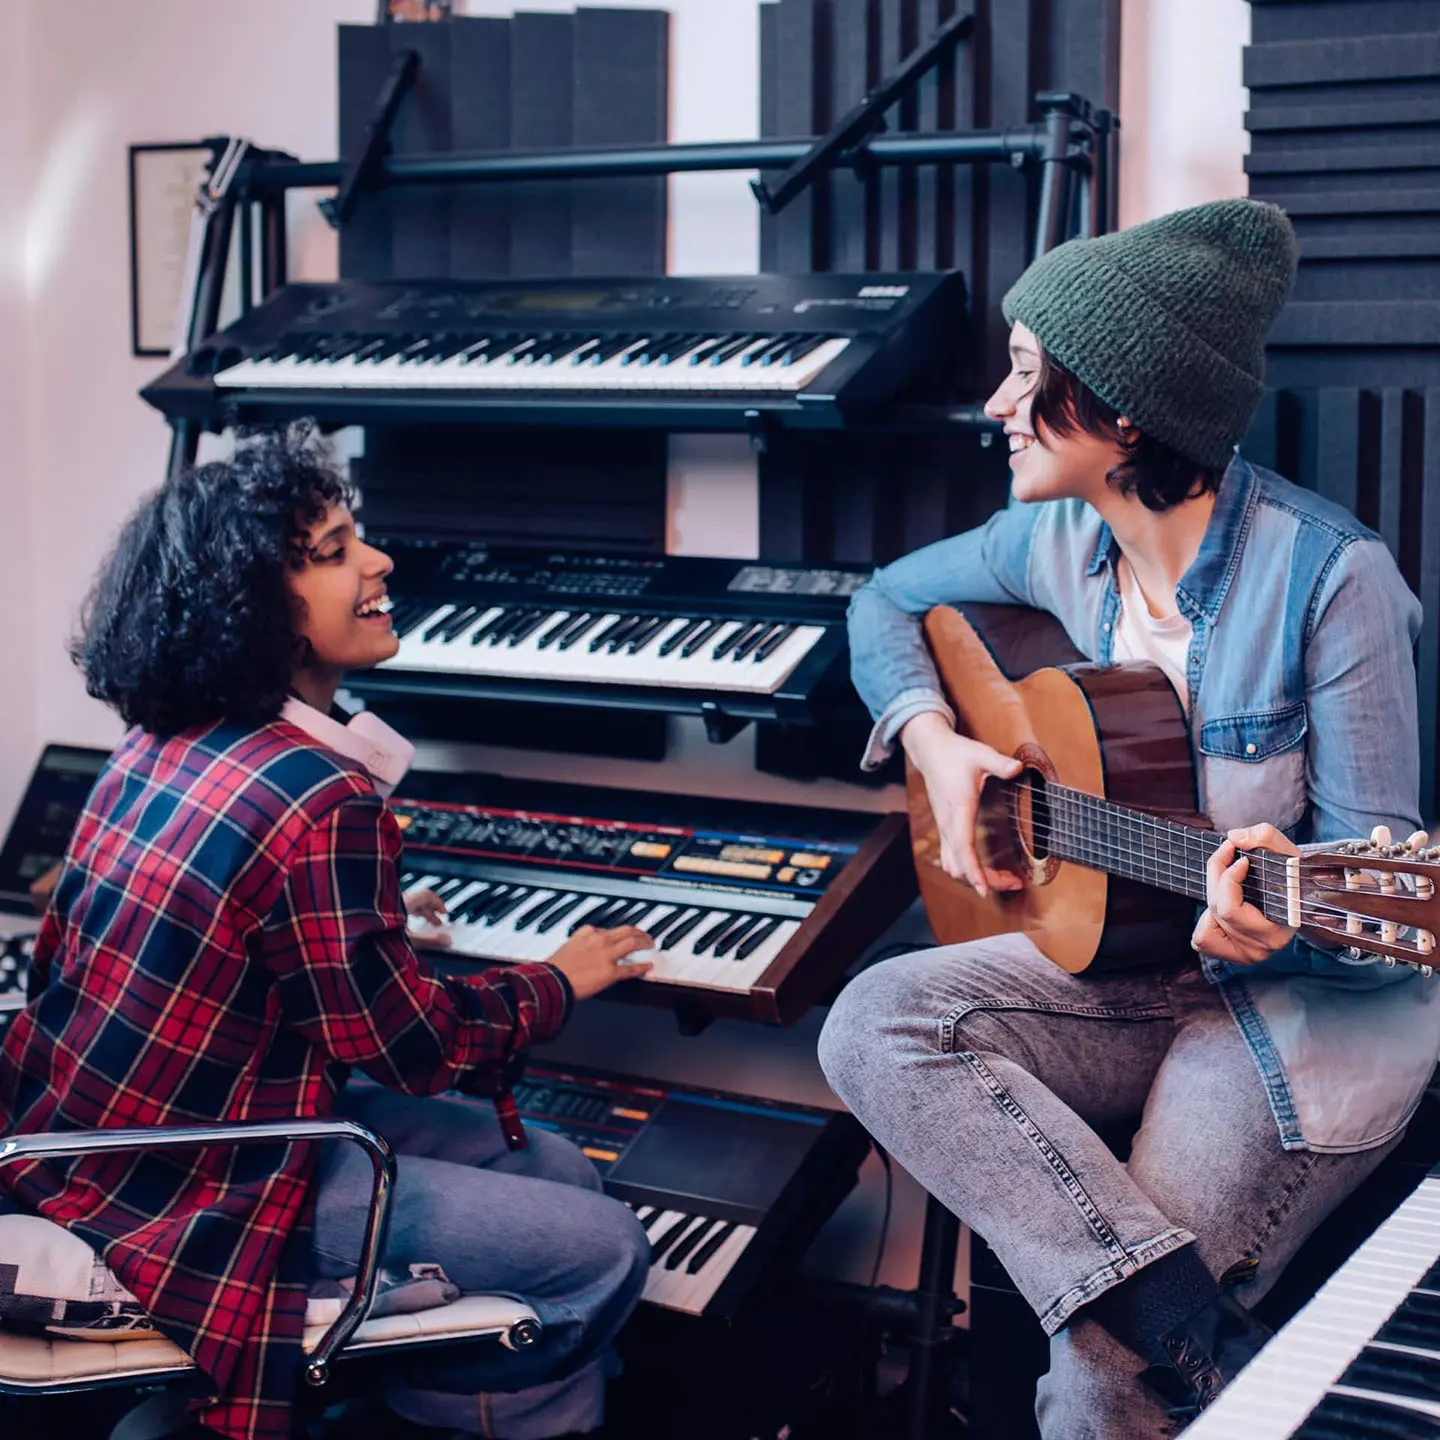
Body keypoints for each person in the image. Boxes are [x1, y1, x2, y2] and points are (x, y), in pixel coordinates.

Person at [817, 199, 1438, 1436]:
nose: (996, 404)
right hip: (1132, 966)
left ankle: (1144, 1338)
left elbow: (1384, 927)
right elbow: (879, 604)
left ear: (1122, 410)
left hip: (1287, 1013)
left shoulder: (1332, 578)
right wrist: (938, 747)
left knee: (1097, 1381)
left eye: (1027, 375)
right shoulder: (1058, 544)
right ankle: (1189, 1330)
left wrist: (1283, 923)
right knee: (869, 1020)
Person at [0, 427, 654, 1440]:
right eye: (338, 548)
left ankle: (424, 1369)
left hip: (85, 1142)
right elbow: (412, 1050)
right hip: (211, 1182)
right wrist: (555, 981)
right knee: (602, 1247)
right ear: (260, 608)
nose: (378, 561)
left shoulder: (156, 740)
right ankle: (429, 1385)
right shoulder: (319, 798)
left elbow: (193, 939)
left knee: (559, 1171)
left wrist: (365, 933)